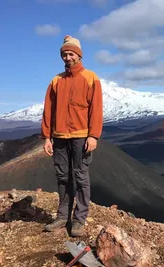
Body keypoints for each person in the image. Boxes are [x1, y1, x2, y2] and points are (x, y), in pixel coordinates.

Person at [40, 35, 103, 237]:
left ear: (79, 55)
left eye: (71, 54)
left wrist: (93, 135)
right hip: (59, 137)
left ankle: (79, 219)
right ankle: (62, 216)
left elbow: (96, 109)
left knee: (81, 177)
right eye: (64, 54)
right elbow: (48, 110)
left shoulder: (91, 78)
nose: (68, 57)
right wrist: (47, 137)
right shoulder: (56, 81)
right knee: (62, 177)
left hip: (81, 137)